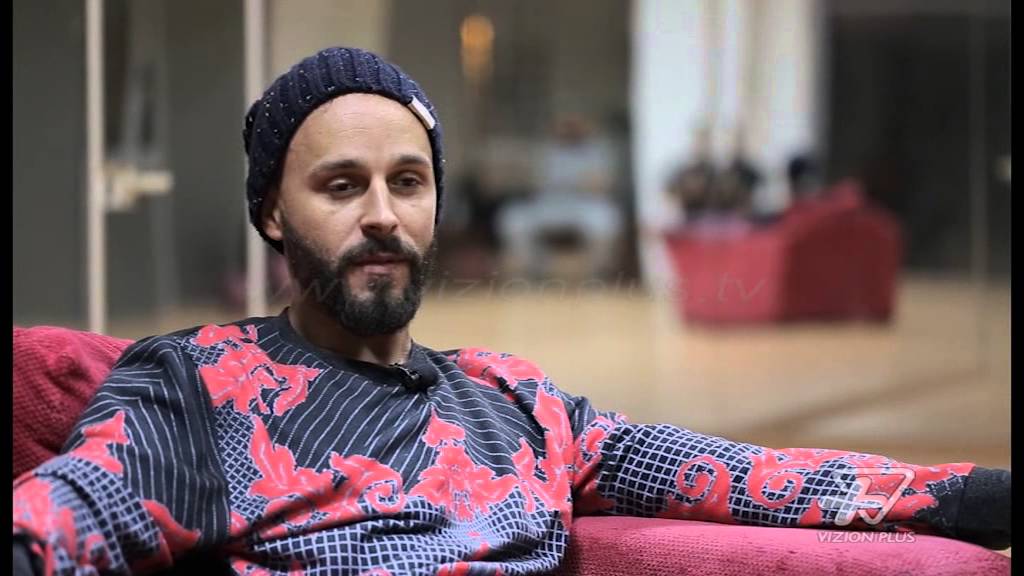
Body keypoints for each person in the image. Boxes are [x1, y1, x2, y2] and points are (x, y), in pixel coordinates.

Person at [13, 47, 1010, 576]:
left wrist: (974, 497)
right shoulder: (200, 383)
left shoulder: (515, 402)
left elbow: (747, 480)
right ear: (273, 211)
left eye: (408, 182)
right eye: (341, 185)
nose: (381, 214)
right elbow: (75, 511)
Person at [497, 114, 623, 280]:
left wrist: (585, 183)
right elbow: (528, 182)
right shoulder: (543, 150)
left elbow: (601, 184)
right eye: (564, 125)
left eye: (574, 125)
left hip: (584, 205)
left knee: (606, 219)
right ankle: (533, 270)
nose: (568, 129)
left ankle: (598, 273)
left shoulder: (597, 150)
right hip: (547, 205)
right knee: (513, 217)